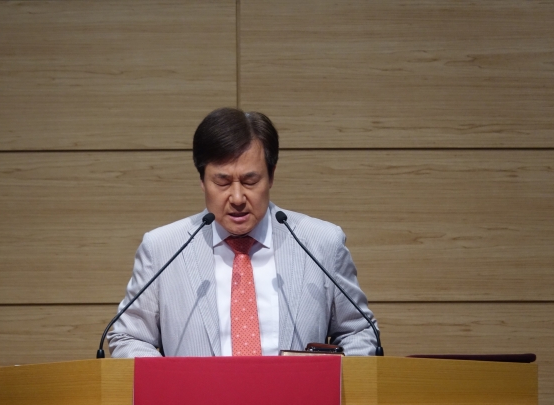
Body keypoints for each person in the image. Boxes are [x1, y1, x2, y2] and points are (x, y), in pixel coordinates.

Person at [107, 107, 379, 357]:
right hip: (194, 396)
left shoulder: (322, 244)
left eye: (250, 181)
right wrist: (170, 384)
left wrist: (330, 383)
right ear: (202, 180)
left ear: (271, 176)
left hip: (299, 396)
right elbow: (129, 336)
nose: (237, 198)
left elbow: (358, 331)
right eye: (222, 182)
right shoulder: (162, 248)